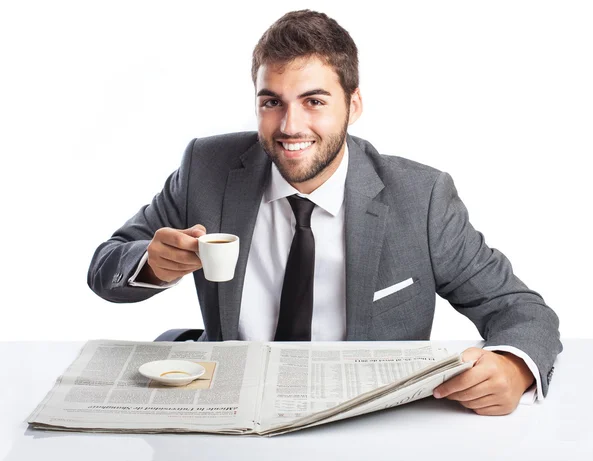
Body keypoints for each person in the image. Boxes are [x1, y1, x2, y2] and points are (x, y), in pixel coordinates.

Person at [88, 9, 562, 416]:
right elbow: (106, 264)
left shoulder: (421, 196)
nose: (290, 126)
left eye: (314, 101)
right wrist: (150, 264)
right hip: (230, 411)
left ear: (353, 105)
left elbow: (519, 308)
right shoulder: (207, 169)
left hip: (364, 420)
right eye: (272, 103)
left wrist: (516, 365)